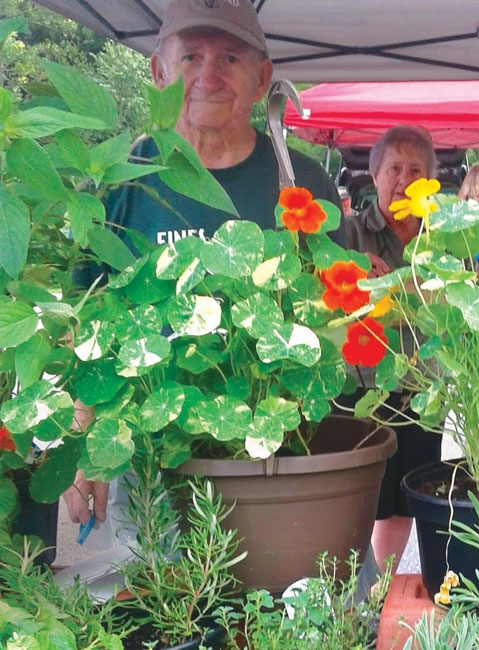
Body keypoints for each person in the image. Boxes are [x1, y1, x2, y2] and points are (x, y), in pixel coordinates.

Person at [64, 0, 344, 526]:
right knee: (161, 604)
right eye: (191, 56)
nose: (208, 75)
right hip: (152, 467)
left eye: (231, 59)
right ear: (158, 70)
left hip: (285, 460)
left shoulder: (303, 183)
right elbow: (86, 324)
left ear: (263, 79)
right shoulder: (114, 185)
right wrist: (87, 443)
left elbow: (334, 321)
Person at [342, 125, 442, 572]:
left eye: (415, 169)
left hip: (423, 386)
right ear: (374, 175)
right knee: (360, 497)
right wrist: (351, 270)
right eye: (394, 168)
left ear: (430, 179)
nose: (404, 179)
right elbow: (315, 285)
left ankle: (382, 592)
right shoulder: (347, 235)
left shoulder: (444, 238)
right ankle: (343, 591)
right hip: (362, 386)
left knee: (406, 497)